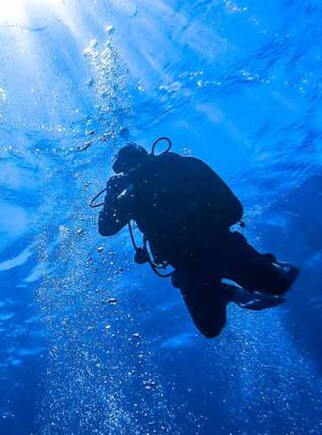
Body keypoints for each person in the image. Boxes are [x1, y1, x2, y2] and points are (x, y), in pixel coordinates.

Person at [98, 142, 298, 338]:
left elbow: (234, 210)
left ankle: (266, 263)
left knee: (279, 286)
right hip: (190, 264)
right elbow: (106, 228)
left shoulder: (181, 167)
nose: (136, 173)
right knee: (210, 328)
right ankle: (228, 292)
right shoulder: (131, 194)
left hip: (220, 246)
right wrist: (113, 196)